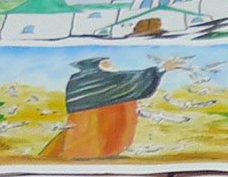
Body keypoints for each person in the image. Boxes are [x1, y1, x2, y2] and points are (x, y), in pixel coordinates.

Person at [50, 55, 178, 162]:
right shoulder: (83, 80)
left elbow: (129, 81)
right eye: (106, 63)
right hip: (92, 117)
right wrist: (161, 68)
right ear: (94, 66)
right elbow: (132, 79)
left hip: (110, 117)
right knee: (89, 139)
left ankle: (106, 154)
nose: (111, 65)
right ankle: (84, 155)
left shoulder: (106, 79)